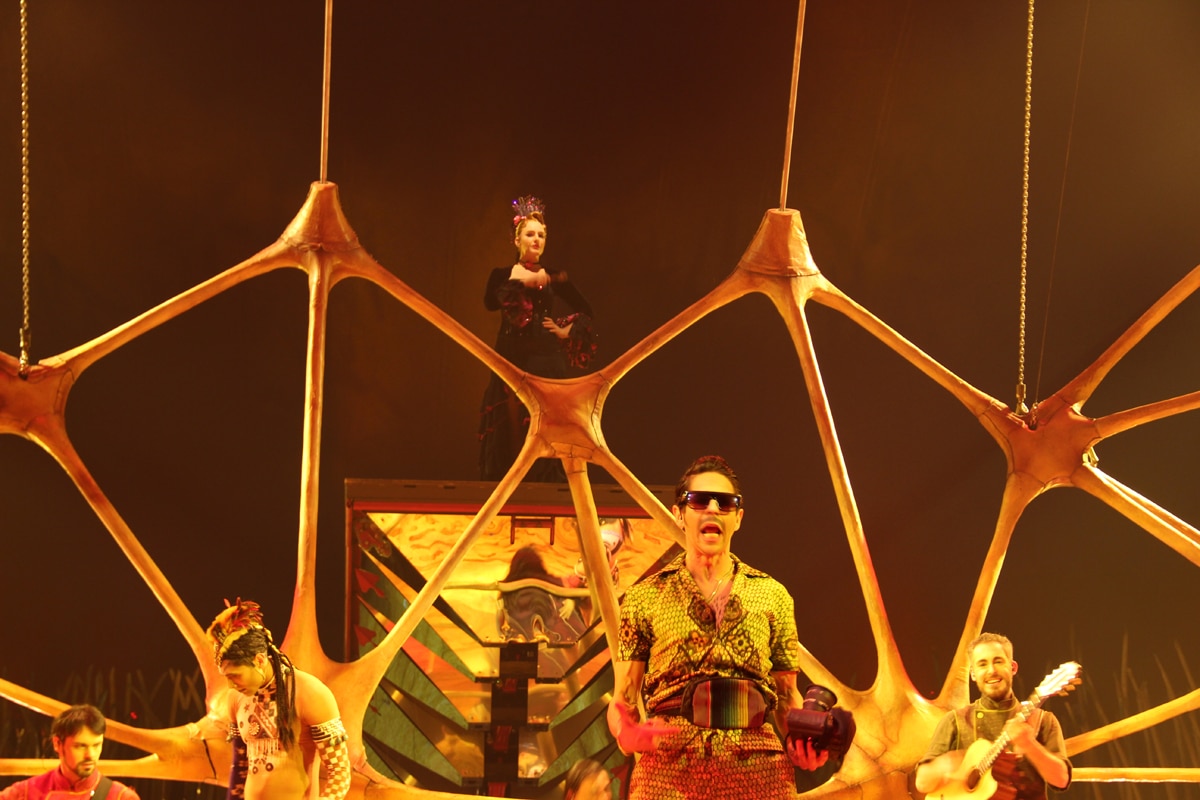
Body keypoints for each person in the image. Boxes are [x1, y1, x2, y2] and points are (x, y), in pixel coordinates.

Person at [606, 455, 829, 799]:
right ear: (679, 514)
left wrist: (801, 742)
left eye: (725, 503)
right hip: (668, 772)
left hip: (759, 771)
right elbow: (622, 698)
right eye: (699, 500)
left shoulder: (773, 595)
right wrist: (627, 734)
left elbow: (787, 696)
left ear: (738, 518)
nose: (712, 508)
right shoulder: (643, 597)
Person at [478, 195, 596, 482]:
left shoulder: (553, 275)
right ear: (516, 239)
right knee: (510, 421)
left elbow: (586, 310)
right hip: (510, 355)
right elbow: (490, 303)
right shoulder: (502, 274)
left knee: (544, 420)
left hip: (546, 358)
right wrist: (524, 282)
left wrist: (565, 330)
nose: (536, 240)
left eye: (541, 235)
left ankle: (544, 484)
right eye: (530, 234)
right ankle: (508, 481)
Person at [204, 599, 351, 800]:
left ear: (259, 660)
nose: (231, 685)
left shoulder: (310, 692)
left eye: (235, 675)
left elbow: (339, 773)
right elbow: (240, 768)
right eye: (226, 677)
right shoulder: (235, 699)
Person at [913, 632, 1072, 800]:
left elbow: (1061, 780)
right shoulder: (955, 721)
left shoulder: (1043, 720)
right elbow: (922, 783)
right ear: (973, 674)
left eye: (998, 661)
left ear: (1013, 668)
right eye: (982, 664)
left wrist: (1028, 744)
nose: (991, 670)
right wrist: (947, 763)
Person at [0, 704, 138, 800]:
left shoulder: (120, 796)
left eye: (96, 745)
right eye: (80, 746)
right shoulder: (25, 793)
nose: (90, 755)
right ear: (57, 744)